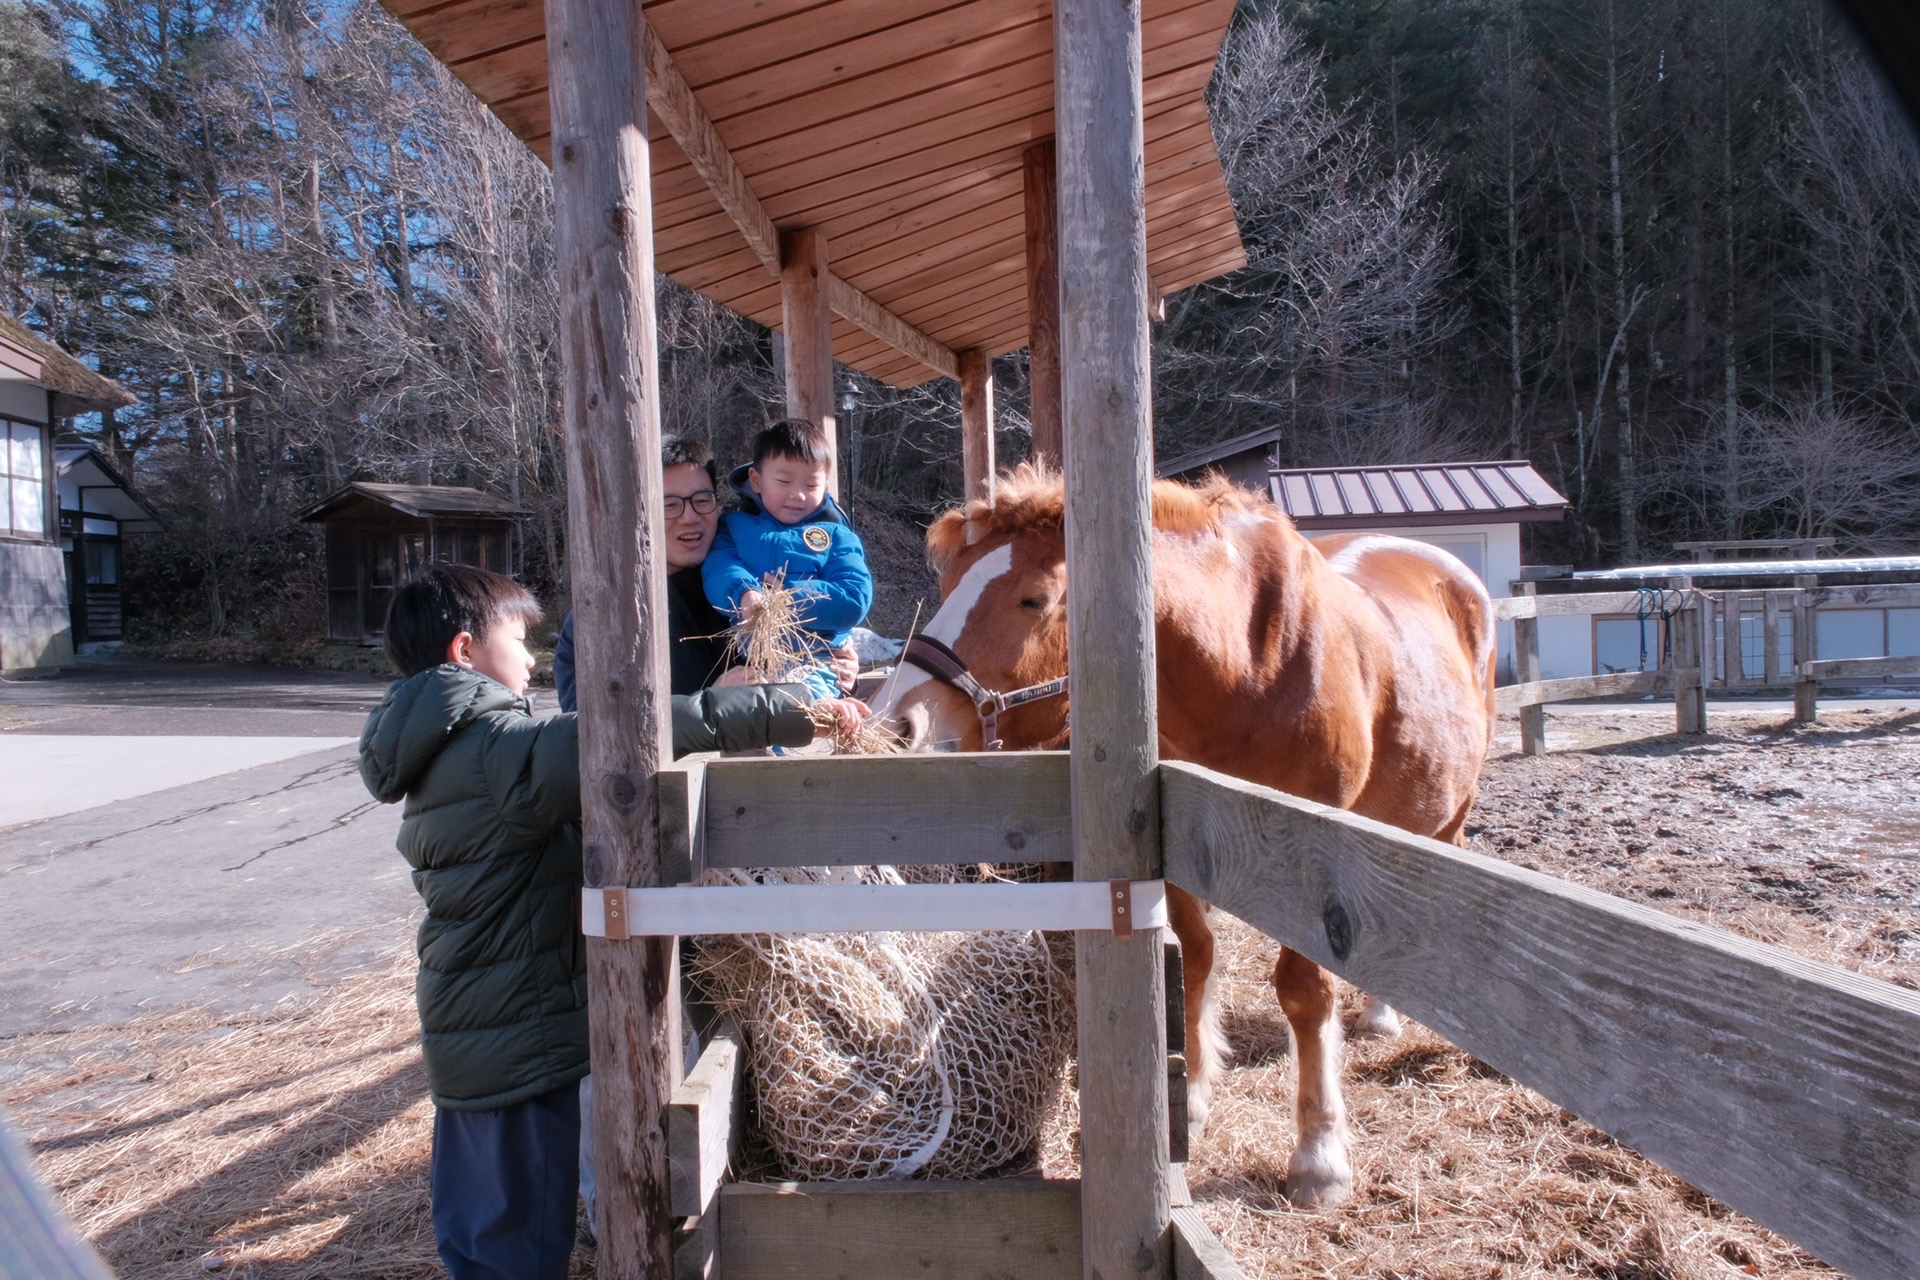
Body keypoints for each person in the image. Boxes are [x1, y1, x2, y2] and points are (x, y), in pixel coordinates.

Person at [358, 565, 856, 1280]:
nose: (530, 659)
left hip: (475, 1027)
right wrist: (792, 706)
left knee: (479, 1224)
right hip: (516, 1037)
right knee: (518, 1237)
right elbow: (629, 736)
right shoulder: (497, 751)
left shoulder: (444, 747)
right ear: (465, 650)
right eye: (518, 639)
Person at [551, 434, 858, 710]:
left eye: (702, 500)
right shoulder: (601, 618)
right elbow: (589, 730)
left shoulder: (743, 589)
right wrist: (707, 703)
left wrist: (833, 672)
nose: (690, 517)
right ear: (635, 512)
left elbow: (792, 676)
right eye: (669, 505)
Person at [702, 418, 875, 699]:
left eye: (811, 484)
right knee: (751, 710)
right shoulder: (734, 526)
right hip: (752, 661)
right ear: (756, 480)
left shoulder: (837, 537)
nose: (798, 494)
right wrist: (745, 593)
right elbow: (719, 567)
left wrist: (790, 597)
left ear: (826, 486)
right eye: (784, 481)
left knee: (801, 710)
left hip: (818, 660)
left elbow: (855, 598)